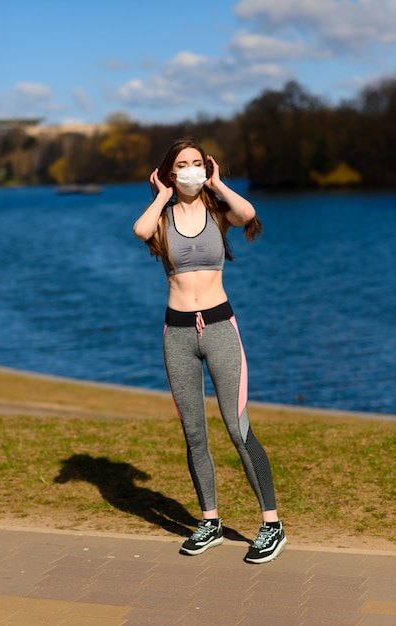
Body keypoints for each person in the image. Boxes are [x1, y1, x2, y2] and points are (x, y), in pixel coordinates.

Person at [133, 137, 286, 564]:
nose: (190, 170)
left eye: (196, 163)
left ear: (206, 167)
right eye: (181, 165)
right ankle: (210, 522)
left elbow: (248, 214)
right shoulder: (161, 219)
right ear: (169, 173)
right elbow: (140, 231)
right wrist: (163, 194)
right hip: (178, 334)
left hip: (219, 327)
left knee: (237, 428)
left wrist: (217, 184)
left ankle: (271, 524)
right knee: (194, 434)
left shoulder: (218, 212)